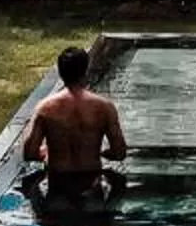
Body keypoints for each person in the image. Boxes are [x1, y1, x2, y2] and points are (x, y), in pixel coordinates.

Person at [23, 46, 127, 205]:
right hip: (91, 178)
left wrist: (46, 152)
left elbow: (29, 153)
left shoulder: (45, 108)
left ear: (60, 72)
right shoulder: (105, 107)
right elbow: (119, 152)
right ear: (85, 71)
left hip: (58, 179)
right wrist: (99, 153)